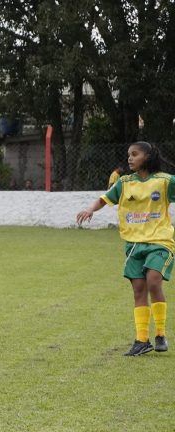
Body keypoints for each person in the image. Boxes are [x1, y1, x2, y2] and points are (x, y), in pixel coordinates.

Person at [76, 141, 175, 356]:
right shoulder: (124, 182)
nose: (130, 158)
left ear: (147, 157)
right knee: (139, 289)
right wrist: (90, 209)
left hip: (160, 241)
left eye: (135, 154)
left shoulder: (166, 181)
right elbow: (104, 199)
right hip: (134, 244)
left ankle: (160, 333)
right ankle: (142, 340)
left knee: (153, 281)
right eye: (129, 154)